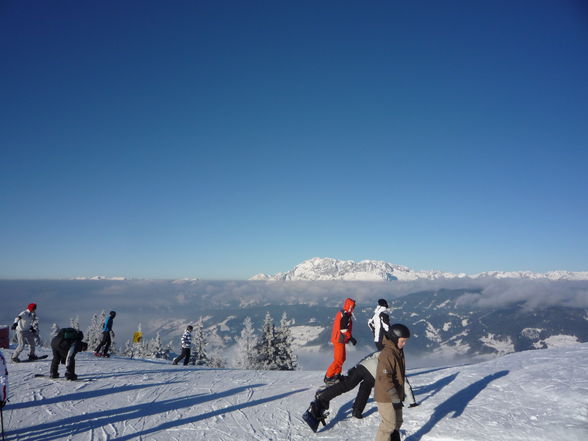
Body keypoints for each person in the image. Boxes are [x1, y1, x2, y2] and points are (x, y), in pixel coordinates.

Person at [310, 350, 418, 422]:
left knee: (348, 385)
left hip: (364, 366)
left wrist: (358, 365)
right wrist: (412, 402)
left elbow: (373, 355)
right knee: (365, 389)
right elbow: (405, 385)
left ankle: (353, 409)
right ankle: (354, 409)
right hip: (373, 374)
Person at [368, 299, 418, 408]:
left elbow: (369, 323)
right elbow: (388, 329)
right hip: (387, 342)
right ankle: (410, 400)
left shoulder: (375, 314)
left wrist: (375, 334)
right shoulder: (384, 314)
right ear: (385, 306)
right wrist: (392, 336)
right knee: (397, 369)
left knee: (387, 366)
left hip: (378, 341)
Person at [374, 324, 411, 441]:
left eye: (405, 341)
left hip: (396, 394)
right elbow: (384, 377)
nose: (404, 344)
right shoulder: (388, 354)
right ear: (395, 339)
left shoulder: (398, 350)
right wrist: (394, 397)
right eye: (402, 341)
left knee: (398, 421)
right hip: (386, 396)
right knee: (388, 425)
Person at [324, 298, 357, 386]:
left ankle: (336, 375)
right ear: (350, 306)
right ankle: (328, 377)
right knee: (338, 360)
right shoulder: (345, 315)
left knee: (342, 359)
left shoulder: (343, 313)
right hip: (339, 339)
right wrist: (351, 338)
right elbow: (343, 329)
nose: (353, 308)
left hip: (339, 339)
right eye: (353, 306)